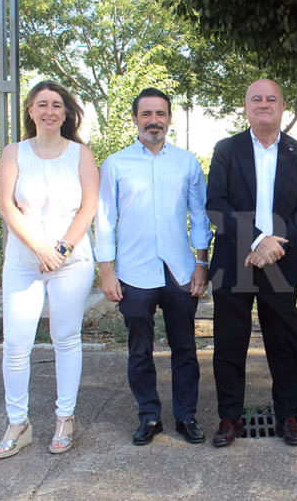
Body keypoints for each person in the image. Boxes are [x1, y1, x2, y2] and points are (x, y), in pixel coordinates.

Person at [95, 88, 213, 446]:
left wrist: (201, 262)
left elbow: (200, 214)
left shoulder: (187, 162)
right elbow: (104, 219)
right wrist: (106, 269)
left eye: (160, 114)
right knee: (139, 351)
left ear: (169, 119)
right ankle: (149, 416)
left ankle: (186, 416)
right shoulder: (115, 164)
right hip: (133, 272)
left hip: (179, 270)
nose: (153, 121)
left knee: (185, 348)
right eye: (146, 114)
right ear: (135, 119)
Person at [206, 78, 297, 447]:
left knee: (285, 344)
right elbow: (216, 205)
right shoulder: (226, 149)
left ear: (283, 105)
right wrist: (258, 239)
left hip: (281, 263)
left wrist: (274, 245)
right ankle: (230, 419)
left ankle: (288, 416)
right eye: (256, 98)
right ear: (246, 106)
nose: (264, 103)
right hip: (232, 260)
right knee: (229, 343)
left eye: (271, 98)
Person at [0, 81, 98, 458]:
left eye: (57, 105)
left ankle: (65, 418)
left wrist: (61, 248)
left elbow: (89, 207)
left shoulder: (81, 154)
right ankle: (18, 424)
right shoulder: (14, 153)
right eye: (42, 104)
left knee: (66, 339)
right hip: (24, 262)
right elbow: (7, 206)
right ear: (31, 111)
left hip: (72, 262)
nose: (50, 111)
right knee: (17, 344)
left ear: (67, 113)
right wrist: (39, 248)